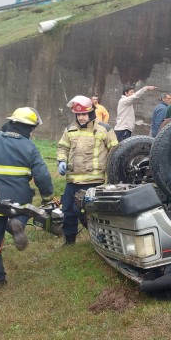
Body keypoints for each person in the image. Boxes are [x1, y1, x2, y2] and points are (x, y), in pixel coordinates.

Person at [0, 107, 53, 289]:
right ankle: (17, 222)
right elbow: (41, 174)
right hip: (18, 199)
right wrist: (48, 197)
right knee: (23, 211)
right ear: (29, 128)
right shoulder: (29, 147)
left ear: (11, 122)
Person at [57, 95, 118, 246]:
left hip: (93, 180)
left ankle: (100, 238)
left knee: (85, 212)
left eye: (84, 114)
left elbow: (116, 152)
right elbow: (63, 147)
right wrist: (61, 160)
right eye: (78, 114)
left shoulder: (104, 129)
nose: (81, 118)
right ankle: (69, 241)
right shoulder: (70, 129)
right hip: (72, 180)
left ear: (91, 113)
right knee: (68, 211)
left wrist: (112, 177)